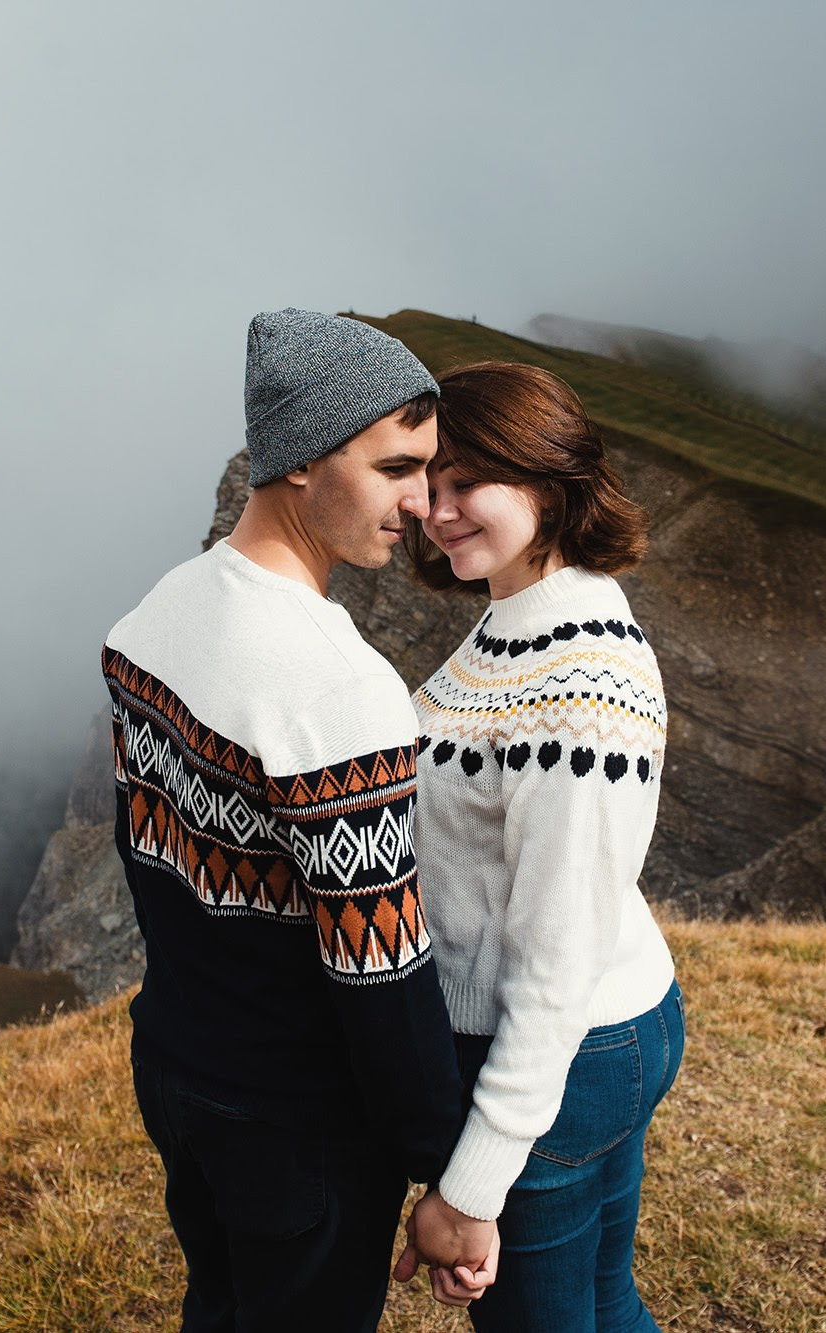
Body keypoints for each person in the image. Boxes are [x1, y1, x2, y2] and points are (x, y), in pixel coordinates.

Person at [104, 309, 495, 1331]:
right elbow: (379, 968)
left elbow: (148, 854)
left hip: (179, 1069)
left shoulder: (156, 612)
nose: (421, 504)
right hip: (295, 1118)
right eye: (395, 467)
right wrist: (443, 1170)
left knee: (220, 1304)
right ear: (299, 463)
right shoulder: (334, 693)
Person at [395, 361, 685, 1331]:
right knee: (604, 1300)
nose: (438, 511)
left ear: (544, 476)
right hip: (609, 1028)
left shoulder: (579, 678)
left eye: (465, 480)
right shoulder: (523, 618)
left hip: (561, 1056)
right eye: (429, 485)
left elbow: (554, 959)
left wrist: (469, 1189)